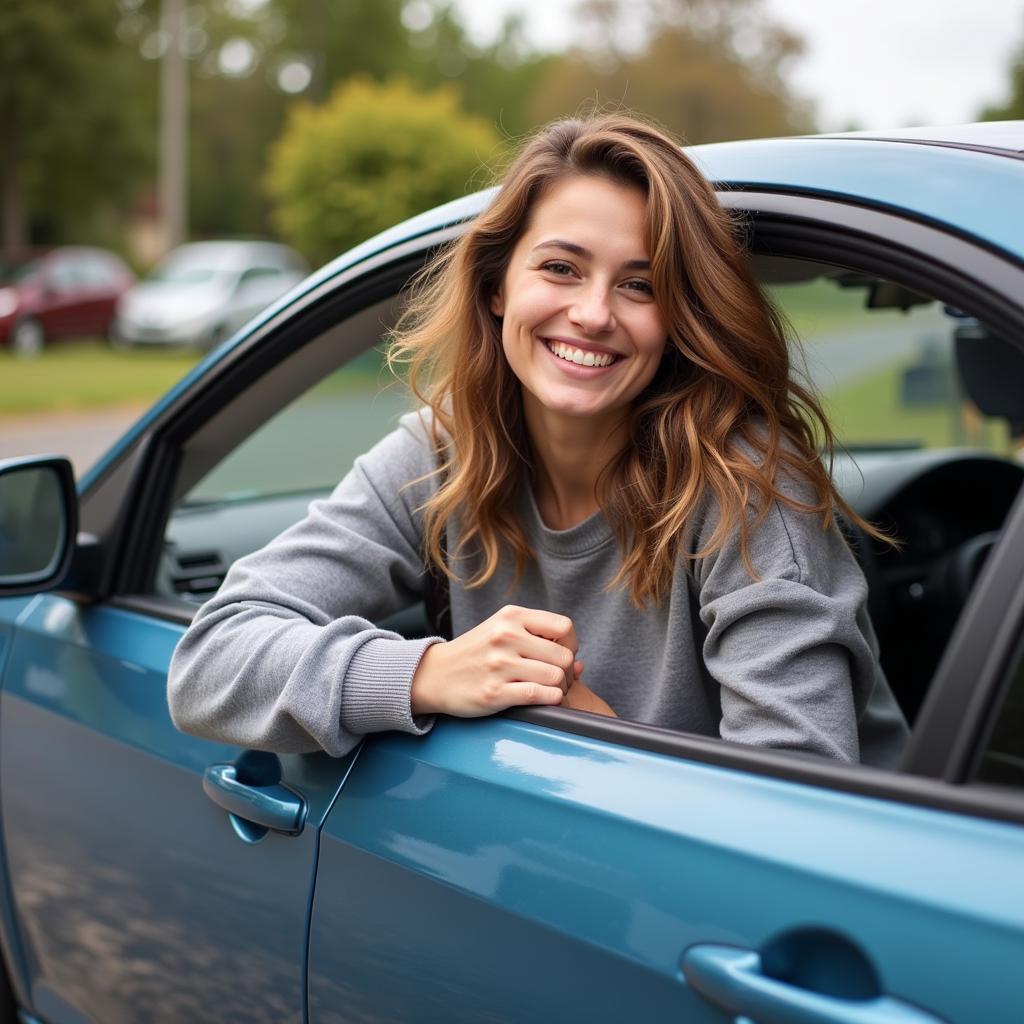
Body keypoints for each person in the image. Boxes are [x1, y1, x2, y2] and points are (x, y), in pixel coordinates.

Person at [168, 114, 909, 767]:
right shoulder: (441, 452)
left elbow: (797, 815)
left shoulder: (746, 491)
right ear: (498, 287)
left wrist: (570, 716)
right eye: (561, 268)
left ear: (679, 319)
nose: (592, 314)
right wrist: (428, 676)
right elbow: (208, 664)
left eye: (640, 285)